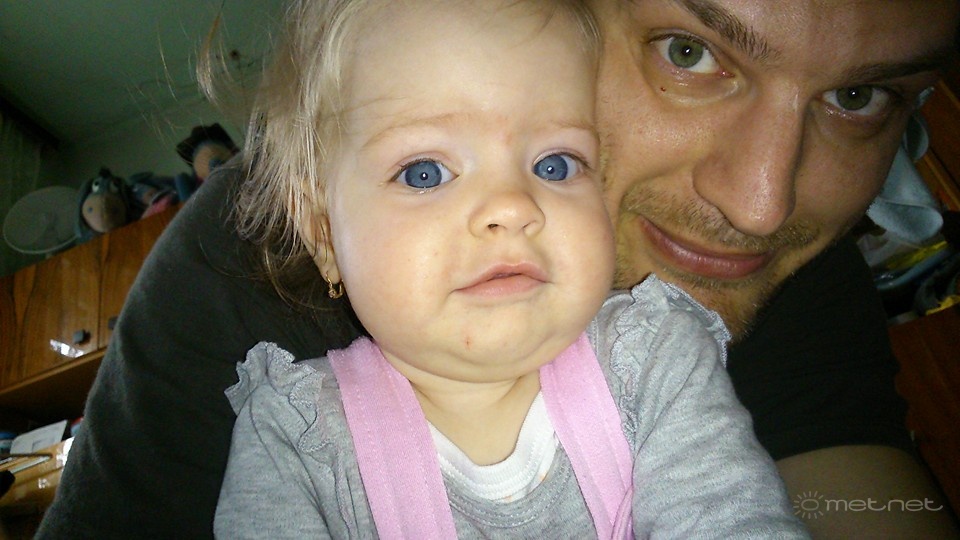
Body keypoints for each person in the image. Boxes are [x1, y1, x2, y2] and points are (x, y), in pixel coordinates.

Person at [36, 0, 960, 538]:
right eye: (689, 51)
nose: (762, 204)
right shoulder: (285, 407)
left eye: (858, 95)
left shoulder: (664, 352)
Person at [211, 0, 803, 537]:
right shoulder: (296, 437)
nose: (513, 207)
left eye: (555, 164)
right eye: (424, 173)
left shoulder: (653, 362)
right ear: (324, 235)